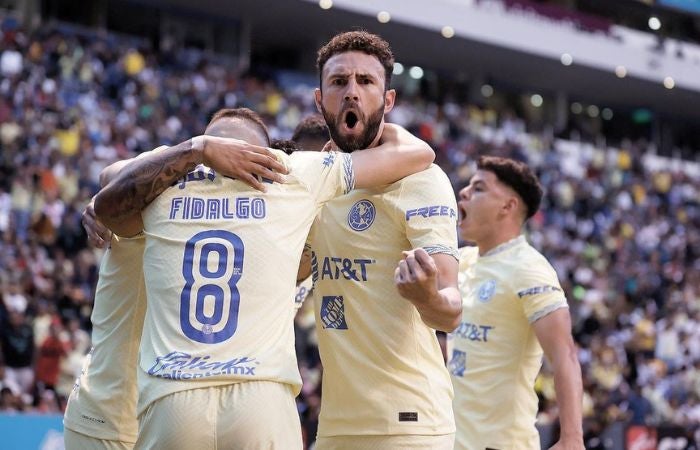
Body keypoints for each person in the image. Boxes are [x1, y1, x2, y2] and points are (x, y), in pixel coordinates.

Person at [93, 107, 433, 449]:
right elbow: (417, 153)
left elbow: (109, 203)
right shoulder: (293, 173)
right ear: (265, 153)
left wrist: (196, 150)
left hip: (172, 393)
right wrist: (368, 107)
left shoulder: (164, 185)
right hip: (260, 392)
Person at [63, 112, 283, 449]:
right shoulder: (167, 187)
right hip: (110, 416)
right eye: (223, 149)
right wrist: (102, 202)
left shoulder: (261, 223)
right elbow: (112, 174)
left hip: (176, 416)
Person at [305, 31, 461, 449]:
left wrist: (428, 296)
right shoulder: (316, 182)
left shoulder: (421, 181)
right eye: (338, 82)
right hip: (336, 426)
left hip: (409, 425)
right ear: (320, 100)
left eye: (365, 82)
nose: (352, 92)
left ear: (387, 101)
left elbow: (450, 311)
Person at [448, 155, 584, 450]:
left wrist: (572, 439)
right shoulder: (462, 261)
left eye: (479, 188)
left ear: (507, 207)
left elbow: (565, 355)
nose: (464, 193)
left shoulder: (529, 268)